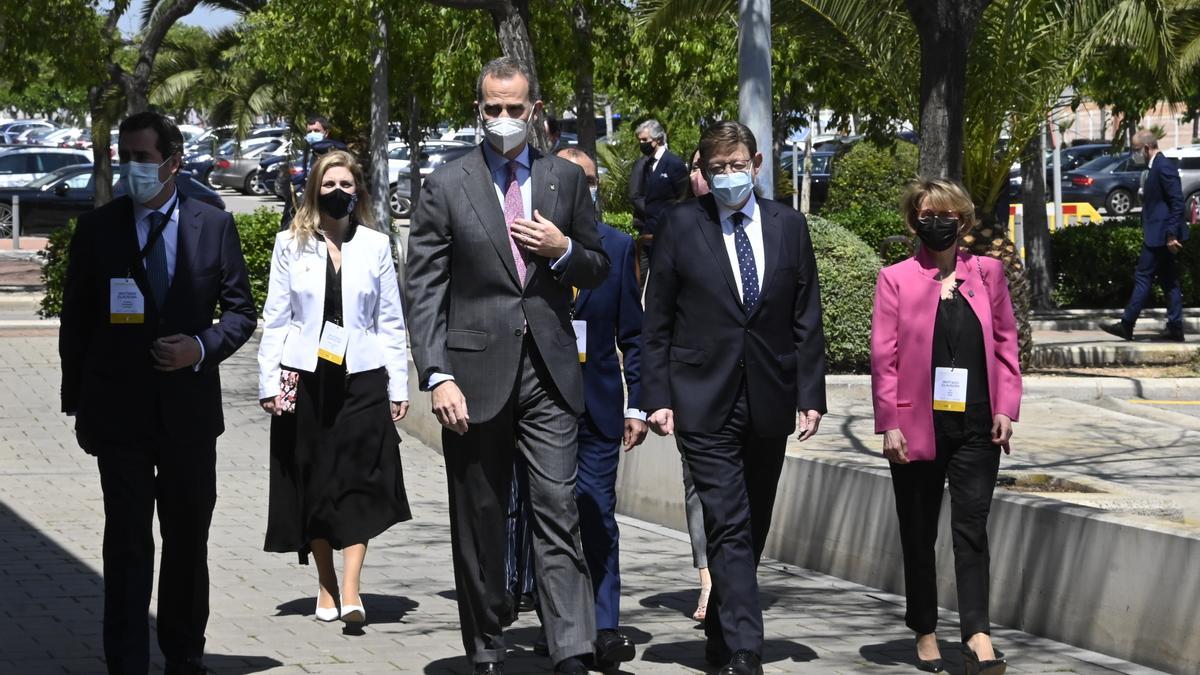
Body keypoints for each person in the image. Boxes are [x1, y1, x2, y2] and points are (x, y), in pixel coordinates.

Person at [403, 56, 610, 675]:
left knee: (557, 506)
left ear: (535, 111)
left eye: (514, 109)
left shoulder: (563, 181)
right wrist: (435, 374)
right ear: (478, 110)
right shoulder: (447, 183)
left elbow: (599, 266)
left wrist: (564, 249)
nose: (502, 120)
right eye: (491, 109)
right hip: (471, 377)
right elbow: (425, 289)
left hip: (548, 369)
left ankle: (571, 646)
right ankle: (486, 642)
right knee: (481, 518)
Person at [59, 111, 257, 675]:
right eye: (127, 158)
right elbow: (77, 323)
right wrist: (77, 403)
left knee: (187, 538)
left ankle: (183, 651)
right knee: (125, 542)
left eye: (143, 158)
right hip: (118, 415)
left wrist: (199, 347)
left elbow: (241, 312)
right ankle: (125, 657)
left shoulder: (212, 224)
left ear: (173, 162)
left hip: (189, 418)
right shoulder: (100, 229)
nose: (134, 169)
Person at [642, 120, 827, 675]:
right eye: (717, 167)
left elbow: (805, 317)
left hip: (769, 396)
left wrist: (810, 395)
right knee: (726, 520)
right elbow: (658, 321)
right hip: (702, 396)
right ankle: (748, 647)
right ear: (702, 169)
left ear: (757, 162)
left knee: (754, 522)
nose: (728, 175)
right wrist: (656, 395)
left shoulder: (789, 226)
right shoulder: (681, 225)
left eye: (736, 164)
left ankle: (722, 635)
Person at [870, 178, 1022, 675]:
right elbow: (884, 357)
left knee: (971, 529)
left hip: (978, 424)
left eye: (947, 214)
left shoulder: (989, 273)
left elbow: (1004, 344)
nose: (937, 222)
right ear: (914, 221)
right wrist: (889, 422)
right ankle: (926, 630)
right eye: (926, 214)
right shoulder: (895, 278)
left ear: (963, 220)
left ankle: (978, 633)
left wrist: (1005, 407)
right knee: (918, 532)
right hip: (916, 425)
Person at [257, 149, 411, 626]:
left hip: (362, 378)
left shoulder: (377, 245)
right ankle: (325, 583)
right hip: (306, 378)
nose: (338, 193)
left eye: (346, 185)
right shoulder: (290, 245)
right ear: (313, 190)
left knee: (360, 479)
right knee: (317, 480)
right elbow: (276, 318)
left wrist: (398, 385)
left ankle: (351, 588)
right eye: (328, 185)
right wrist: (269, 381)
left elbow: (391, 321)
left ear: (358, 191)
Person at [1102, 129, 1190, 342]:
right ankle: (1175, 327)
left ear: (1147, 148)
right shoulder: (1155, 167)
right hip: (1159, 233)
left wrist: (1171, 234)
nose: (1134, 154)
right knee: (1170, 281)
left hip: (1160, 236)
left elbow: (1177, 202)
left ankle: (1127, 324)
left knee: (1143, 277)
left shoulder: (1163, 167)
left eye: (1136, 150)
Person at [628, 119, 689, 281]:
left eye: (645, 140)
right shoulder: (647, 164)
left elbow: (683, 198)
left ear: (658, 139)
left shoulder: (674, 164)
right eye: (640, 140)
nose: (642, 144)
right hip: (647, 235)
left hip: (667, 235)